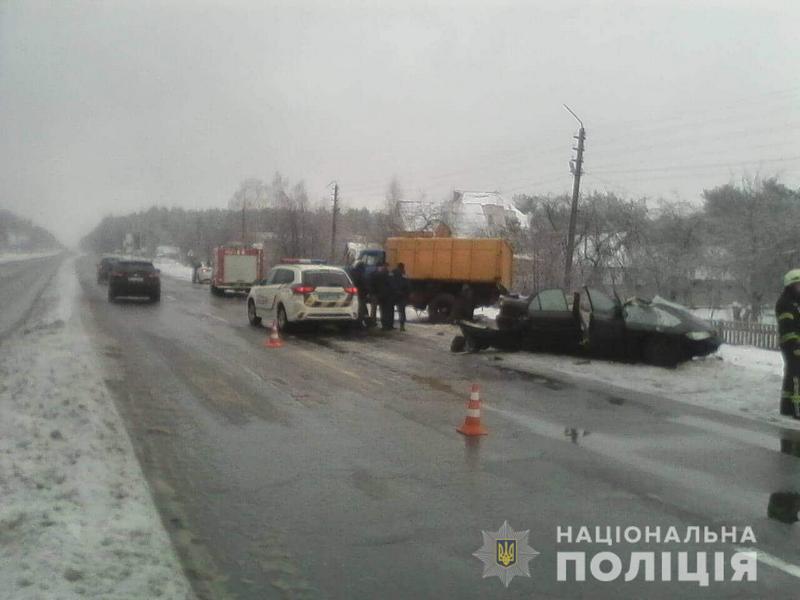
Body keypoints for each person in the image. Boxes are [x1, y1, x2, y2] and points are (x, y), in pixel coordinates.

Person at [776, 269, 800, 418]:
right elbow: (787, 329)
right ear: (791, 286)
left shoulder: (795, 302)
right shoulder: (786, 304)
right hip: (793, 347)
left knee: (793, 377)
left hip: (796, 346)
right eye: (798, 285)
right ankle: (795, 410)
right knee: (796, 379)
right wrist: (795, 346)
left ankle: (787, 408)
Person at [371, 262, 394, 330]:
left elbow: (374, 284)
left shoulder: (377, 274)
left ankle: (383, 324)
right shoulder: (388, 274)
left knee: (382, 310)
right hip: (386, 295)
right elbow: (391, 285)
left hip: (380, 294)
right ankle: (387, 325)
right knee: (386, 310)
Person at [390, 262, 411, 331]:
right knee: (401, 311)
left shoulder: (392, 272)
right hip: (401, 295)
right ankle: (402, 326)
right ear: (402, 267)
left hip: (393, 294)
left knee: (390, 310)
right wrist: (407, 294)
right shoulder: (404, 274)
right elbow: (407, 285)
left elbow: (389, 282)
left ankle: (390, 325)